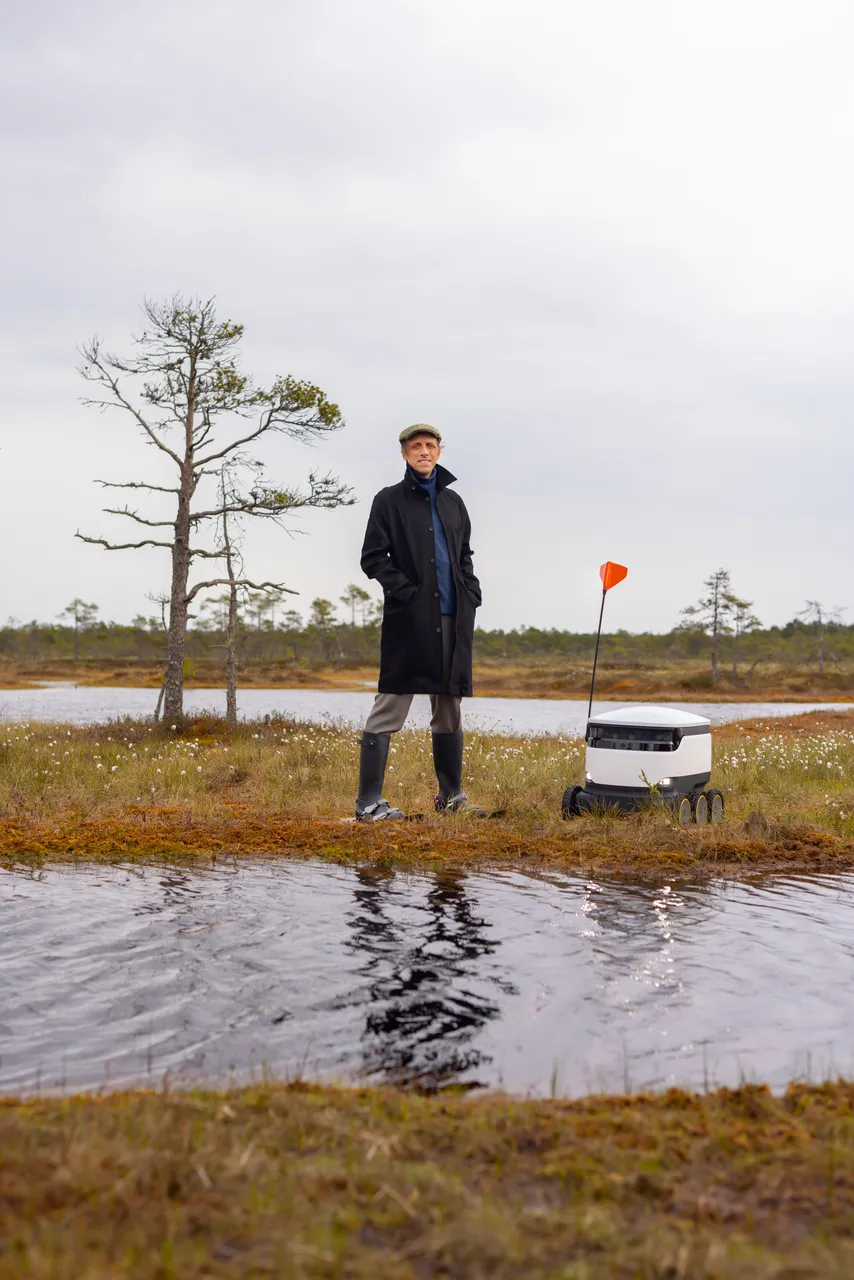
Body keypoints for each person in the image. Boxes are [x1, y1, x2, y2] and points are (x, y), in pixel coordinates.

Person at [355, 423, 483, 820]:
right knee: (390, 702)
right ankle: (368, 804)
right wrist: (405, 592)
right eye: (415, 446)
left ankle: (451, 799)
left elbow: (464, 555)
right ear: (405, 454)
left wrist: (471, 591)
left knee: (449, 707)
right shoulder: (388, 501)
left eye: (429, 446)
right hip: (410, 621)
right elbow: (373, 557)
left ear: (439, 452)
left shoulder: (454, 502)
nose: (423, 451)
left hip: (454, 619)